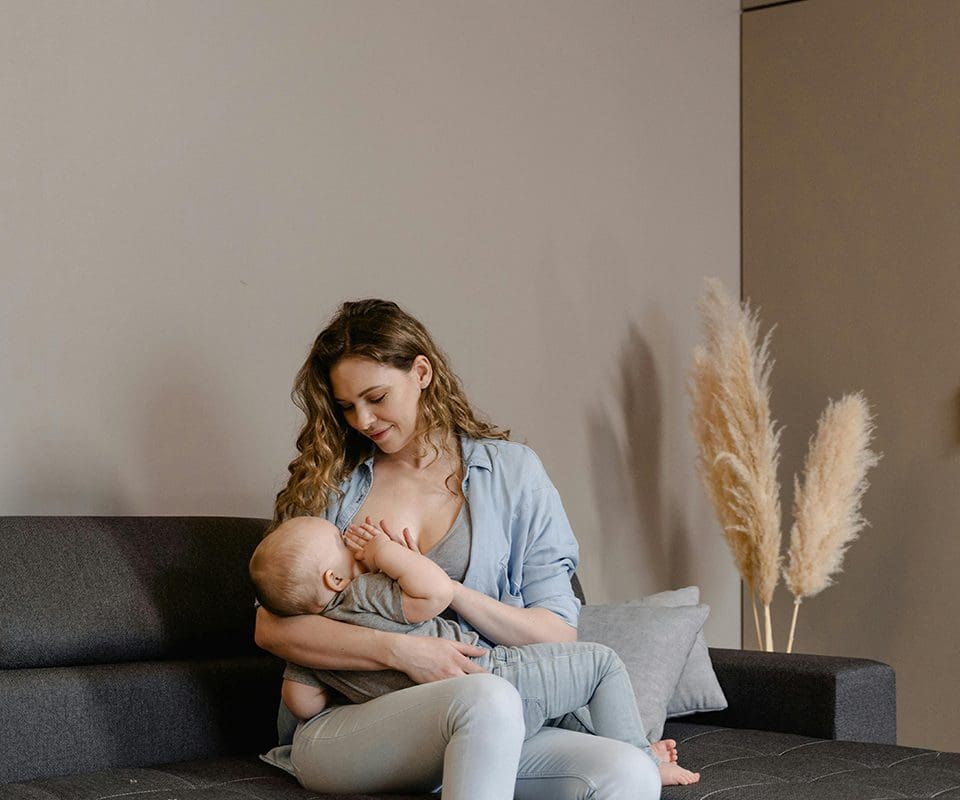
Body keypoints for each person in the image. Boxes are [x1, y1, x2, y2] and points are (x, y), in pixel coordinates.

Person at [254, 298, 668, 799]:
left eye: (376, 397)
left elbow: (557, 634)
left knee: (630, 771)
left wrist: (450, 591)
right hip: (350, 728)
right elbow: (272, 626)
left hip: (489, 718)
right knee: (485, 698)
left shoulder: (514, 474)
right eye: (346, 406)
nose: (362, 419)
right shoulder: (331, 484)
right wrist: (405, 652)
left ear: (421, 372)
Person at [249, 515, 700, 786]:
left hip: (418, 718)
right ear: (335, 579)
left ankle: (623, 754)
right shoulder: (365, 591)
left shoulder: (311, 643)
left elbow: (301, 702)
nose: (352, 541)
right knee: (601, 664)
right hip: (492, 669)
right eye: (341, 541)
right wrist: (386, 553)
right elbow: (433, 592)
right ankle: (642, 755)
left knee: (565, 705)